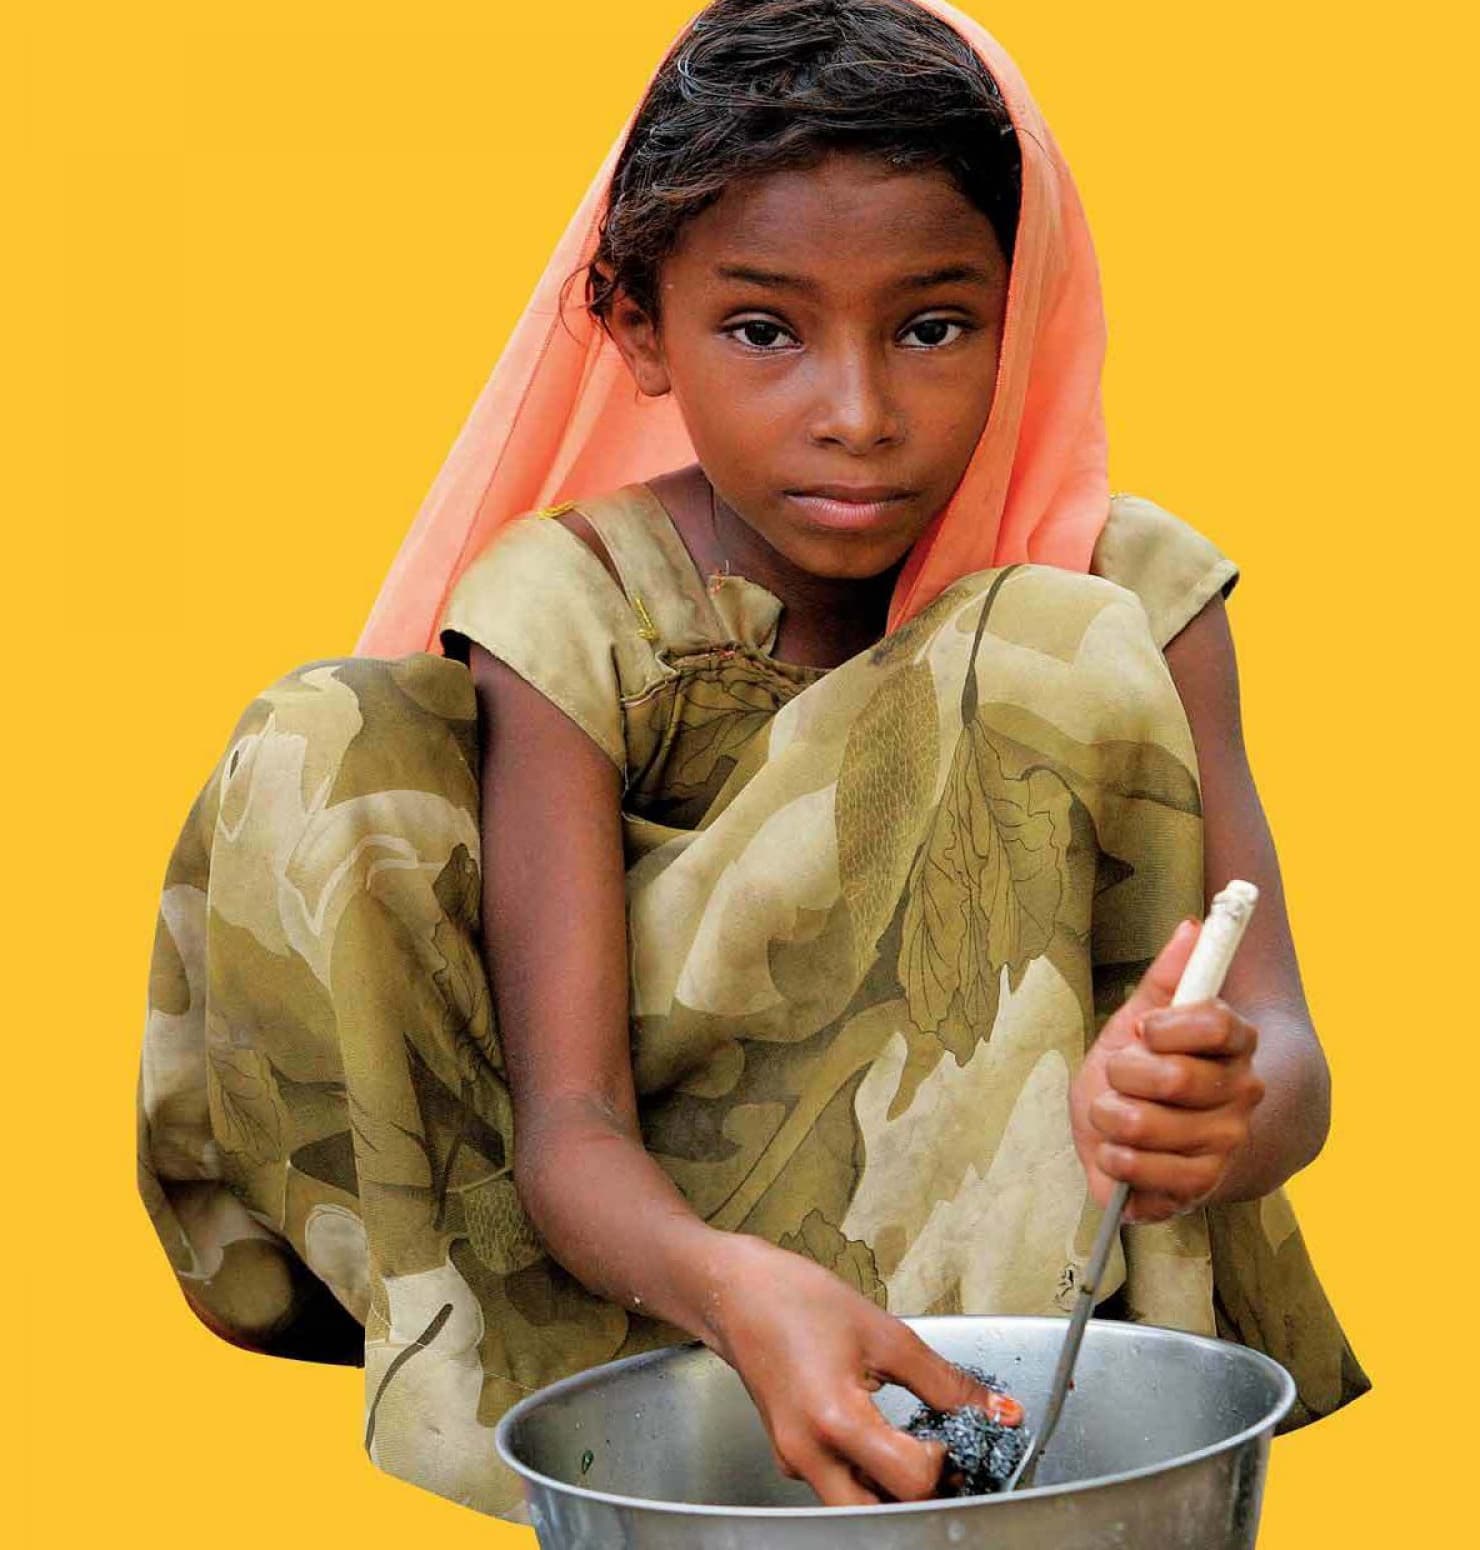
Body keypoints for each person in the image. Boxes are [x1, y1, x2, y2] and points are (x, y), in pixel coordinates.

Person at [137, 0, 1367, 1521]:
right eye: (764, 329)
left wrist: (1209, 1115)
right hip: (651, 1268)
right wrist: (729, 1281)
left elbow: (1290, 1060)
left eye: (931, 327)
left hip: (1036, 1290)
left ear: (1021, 309)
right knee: (327, 735)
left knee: (1041, 640)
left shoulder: (1126, 603)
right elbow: (569, 1128)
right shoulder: (571, 612)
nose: (854, 415)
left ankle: (967, 1445)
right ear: (640, 325)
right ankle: (638, 1415)